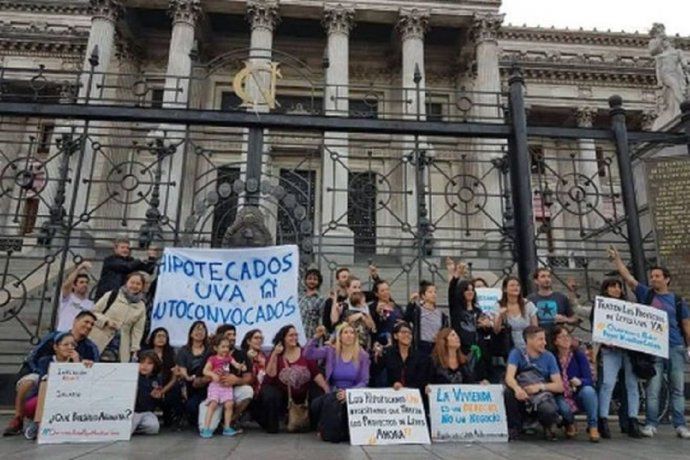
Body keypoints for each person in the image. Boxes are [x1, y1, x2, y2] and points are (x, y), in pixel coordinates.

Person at [608, 247, 690, 439]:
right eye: (652, 276)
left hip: (675, 347)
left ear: (667, 279)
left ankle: (680, 424)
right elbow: (629, 279)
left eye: (657, 276)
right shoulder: (647, 294)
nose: (653, 279)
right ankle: (651, 423)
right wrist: (617, 260)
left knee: (678, 389)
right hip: (654, 348)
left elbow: (686, 325)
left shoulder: (678, 301)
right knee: (653, 388)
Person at [3, 311, 99, 436]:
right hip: (42, 374)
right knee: (28, 382)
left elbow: (95, 371)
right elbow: (33, 357)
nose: (89, 326)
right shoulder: (53, 337)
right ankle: (18, 419)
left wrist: (81, 364)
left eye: (92, 324)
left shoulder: (90, 347)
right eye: (86, 322)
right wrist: (42, 373)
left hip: (72, 383)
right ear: (75, 321)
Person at [254, 324, 329, 434]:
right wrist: (275, 354)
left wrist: (326, 389)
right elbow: (270, 375)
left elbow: (315, 373)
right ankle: (272, 426)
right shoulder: (277, 354)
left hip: (304, 395)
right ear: (283, 338)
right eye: (291, 335)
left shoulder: (304, 352)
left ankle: (315, 424)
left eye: (296, 335)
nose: (294, 338)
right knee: (269, 393)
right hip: (283, 395)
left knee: (319, 393)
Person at [21, 332, 95, 440]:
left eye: (73, 345)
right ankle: (38, 423)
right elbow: (44, 379)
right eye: (66, 345)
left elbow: (82, 383)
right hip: (49, 396)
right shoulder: (45, 361)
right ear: (56, 347)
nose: (70, 347)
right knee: (42, 389)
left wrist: (77, 364)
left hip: (71, 397)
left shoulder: (79, 361)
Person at [594, 278, 642, 439]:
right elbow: (596, 327)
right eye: (612, 286)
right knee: (607, 384)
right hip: (610, 350)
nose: (616, 289)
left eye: (618, 287)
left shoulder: (628, 306)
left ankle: (633, 419)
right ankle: (603, 419)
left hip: (628, 351)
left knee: (632, 385)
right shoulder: (600, 306)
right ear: (605, 289)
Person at [307, 324, 370, 443]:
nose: (349, 335)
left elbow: (364, 381)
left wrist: (349, 393)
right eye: (345, 332)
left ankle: (331, 432)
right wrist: (316, 337)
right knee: (316, 404)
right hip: (333, 391)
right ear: (339, 336)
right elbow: (308, 354)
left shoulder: (363, 356)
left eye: (352, 332)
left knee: (334, 402)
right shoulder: (330, 351)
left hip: (353, 393)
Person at [504, 325, 565, 440]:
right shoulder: (517, 353)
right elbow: (509, 377)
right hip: (523, 390)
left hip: (540, 394)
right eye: (540, 339)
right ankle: (514, 428)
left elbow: (559, 386)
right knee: (508, 392)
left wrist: (540, 387)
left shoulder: (549, 357)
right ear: (529, 340)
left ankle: (547, 425)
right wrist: (517, 389)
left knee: (549, 410)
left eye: (544, 339)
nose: (544, 343)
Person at [551, 326, 600, 442]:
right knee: (563, 407)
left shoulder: (578, 355)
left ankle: (593, 426)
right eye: (562, 337)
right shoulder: (552, 357)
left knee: (589, 391)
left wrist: (580, 381)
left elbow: (589, 379)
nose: (566, 339)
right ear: (555, 341)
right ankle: (570, 423)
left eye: (567, 336)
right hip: (560, 393)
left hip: (577, 392)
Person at [89, 272, 147, 363]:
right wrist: (106, 321)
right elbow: (93, 313)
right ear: (126, 283)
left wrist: (134, 349)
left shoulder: (141, 306)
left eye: (138, 284)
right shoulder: (112, 295)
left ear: (142, 287)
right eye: (132, 282)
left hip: (121, 344)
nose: (134, 286)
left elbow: (138, 330)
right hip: (100, 338)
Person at [200, 335, 245, 438]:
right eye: (223, 347)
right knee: (213, 404)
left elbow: (236, 364)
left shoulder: (229, 358)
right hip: (215, 386)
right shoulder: (212, 359)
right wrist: (213, 375)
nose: (226, 349)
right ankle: (206, 428)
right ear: (216, 348)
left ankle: (227, 427)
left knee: (229, 404)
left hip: (226, 386)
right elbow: (205, 371)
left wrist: (241, 366)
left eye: (227, 347)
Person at [371, 322, 429, 391]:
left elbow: (421, 380)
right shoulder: (387, 353)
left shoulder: (420, 357)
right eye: (403, 332)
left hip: (413, 393)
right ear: (395, 336)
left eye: (410, 333)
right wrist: (376, 358)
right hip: (391, 393)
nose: (407, 335)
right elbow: (376, 373)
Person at [143, 327, 183, 427]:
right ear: (153, 338)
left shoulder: (172, 354)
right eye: (158, 336)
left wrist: (163, 391)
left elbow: (174, 378)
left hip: (166, 386)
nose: (161, 338)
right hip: (149, 386)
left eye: (164, 336)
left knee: (176, 387)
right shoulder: (145, 354)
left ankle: (174, 418)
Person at [175, 321, 212, 427]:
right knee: (192, 406)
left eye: (202, 329)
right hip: (190, 384)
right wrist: (188, 377)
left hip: (207, 383)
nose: (199, 332)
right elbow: (182, 368)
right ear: (191, 333)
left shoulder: (210, 350)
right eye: (197, 329)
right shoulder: (184, 350)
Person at [405, 280, 449, 356]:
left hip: (436, 347)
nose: (433, 294)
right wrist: (411, 303)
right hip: (421, 347)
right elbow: (406, 318)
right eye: (430, 292)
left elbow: (445, 330)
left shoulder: (442, 315)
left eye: (435, 292)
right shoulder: (417, 312)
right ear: (423, 295)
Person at [528, 268, 577, 335]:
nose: (547, 279)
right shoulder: (530, 299)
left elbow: (574, 319)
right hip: (540, 338)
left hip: (558, 338)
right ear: (536, 281)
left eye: (548, 276)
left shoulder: (561, 297)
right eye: (543, 276)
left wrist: (565, 319)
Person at [494, 276, 538, 350]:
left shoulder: (528, 304)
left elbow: (535, 328)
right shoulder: (499, 305)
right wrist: (499, 316)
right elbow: (496, 330)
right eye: (512, 285)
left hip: (527, 346)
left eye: (518, 285)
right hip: (508, 347)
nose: (516, 287)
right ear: (505, 289)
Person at [56, 261, 94, 332]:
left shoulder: (90, 304)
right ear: (74, 285)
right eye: (81, 282)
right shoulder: (67, 297)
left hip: (79, 335)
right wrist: (80, 268)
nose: (85, 285)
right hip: (63, 333)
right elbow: (66, 285)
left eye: (86, 282)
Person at [132, 350, 162, 436]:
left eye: (149, 363)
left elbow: (157, 403)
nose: (144, 366)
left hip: (146, 412)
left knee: (154, 427)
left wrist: (157, 397)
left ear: (155, 366)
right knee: (129, 426)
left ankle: (137, 429)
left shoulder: (156, 380)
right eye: (142, 362)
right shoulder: (134, 377)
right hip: (133, 411)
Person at [368, 280, 403, 347]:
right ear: (376, 294)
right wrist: (377, 313)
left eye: (387, 289)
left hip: (397, 341)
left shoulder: (397, 306)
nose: (386, 292)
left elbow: (404, 320)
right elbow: (371, 327)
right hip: (381, 343)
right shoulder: (372, 307)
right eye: (382, 291)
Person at [299, 268, 325, 339]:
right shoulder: (300, 296)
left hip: (310, 335)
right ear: (305, 280)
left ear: (319, 282)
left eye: (315, 279)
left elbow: (321, 318)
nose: (312, 281)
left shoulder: (320, 299)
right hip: (296, 333)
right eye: (309, 278)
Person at [240, 329, 268, 396]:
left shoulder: (264, 356)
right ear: (248, 341)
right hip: (248, 389)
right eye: (256, 338)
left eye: (261, 338)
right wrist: (249, 360)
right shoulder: (241, 355)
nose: (259, 340)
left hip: (264, 388)